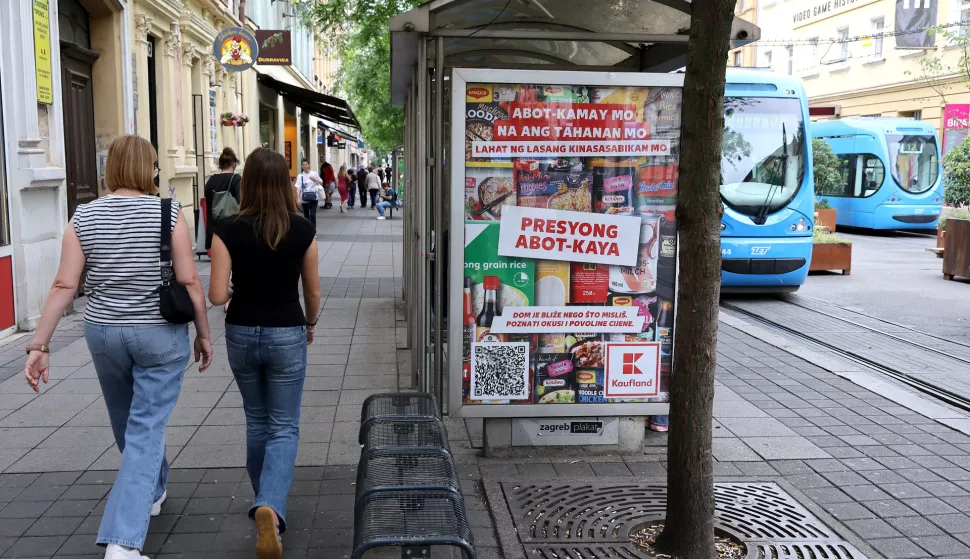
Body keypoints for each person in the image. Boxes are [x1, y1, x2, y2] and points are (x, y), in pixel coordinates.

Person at [24, 135, 213, 559]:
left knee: (130, 423)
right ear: (149, 167)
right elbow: (189, 281)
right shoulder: (169, 212)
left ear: (110, 169)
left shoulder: (84, 216)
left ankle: (152, 489)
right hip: (158, 334)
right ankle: (123, 544)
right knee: (145, 428)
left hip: (104, 333)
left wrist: (40, 344)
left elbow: (64, 284)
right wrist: (203, 333)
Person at [208, 147, 321, 559]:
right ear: (285, 182)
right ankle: (269, 507)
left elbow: (217, 294)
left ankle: (264, 502)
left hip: (240, 332)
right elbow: (312, 290)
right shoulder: (301, 229)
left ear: (248, 182)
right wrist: (310, 323)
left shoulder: (227, 229)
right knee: (285, 426)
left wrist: (239, 289)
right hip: (287, 330)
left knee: (256, 421)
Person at [203, 148, 241, 251]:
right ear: (234, 164)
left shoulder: (210, 180)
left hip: (214, 230)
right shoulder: (235, 179)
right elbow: (241, 201)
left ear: (220, 165)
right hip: (231, 230)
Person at [295, 160, 323, 228]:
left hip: (314, 197)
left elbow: (321, 182)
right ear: (301, 166)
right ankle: (308, 231)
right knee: (306, 215)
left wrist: (315, 179)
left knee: (313, 215)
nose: (305, 166)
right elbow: (298, 188)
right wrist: (298, 198)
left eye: (306, 164)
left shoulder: (314, 173)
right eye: (303, 165)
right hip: (304, 198)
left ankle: (313, 231)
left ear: (309, 165)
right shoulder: (300, 176)